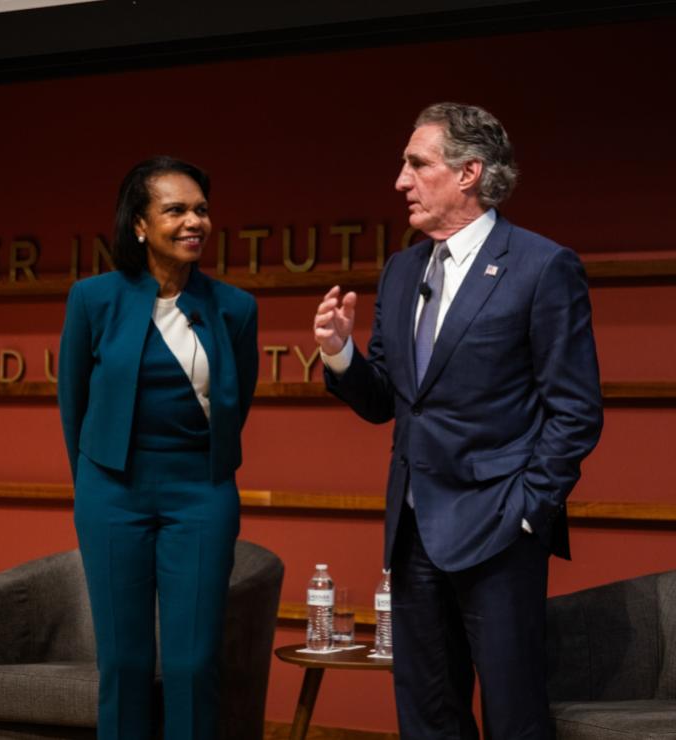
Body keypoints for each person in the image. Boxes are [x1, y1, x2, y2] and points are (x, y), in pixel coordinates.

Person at [313, 103, 603, 739]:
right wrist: (339, 352)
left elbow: (575, 410)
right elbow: (383, 399)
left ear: (469, 172)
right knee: (428, 718)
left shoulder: (541, 265)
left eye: (417, 164)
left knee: (513, 718)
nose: (400, 180)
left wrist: (530, 510)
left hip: (501, 532)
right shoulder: (402, 269)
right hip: (414, 532)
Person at [58, 156, 258, 740]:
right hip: (111, 491)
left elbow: (234, 403)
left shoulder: (236, 308)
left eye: (201, 209)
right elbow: (74, 404)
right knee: (123, 662)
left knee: (193, 664)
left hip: (200, 491)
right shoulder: (92, 299)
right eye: (175, 210)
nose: (194, 220)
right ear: (139, 225)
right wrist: (93, 486)